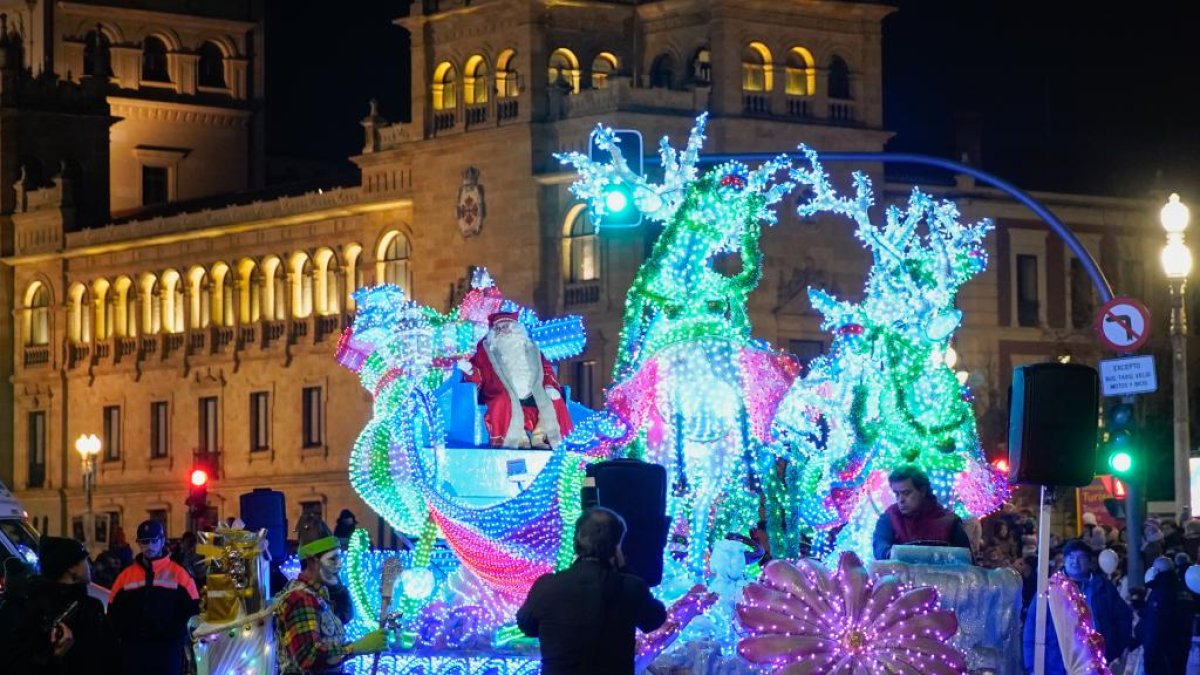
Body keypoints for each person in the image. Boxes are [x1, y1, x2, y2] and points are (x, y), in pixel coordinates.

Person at [517, 507, 667, 674]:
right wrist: (624, 567)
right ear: (616, 548)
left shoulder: (546, 586)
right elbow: (655, 619)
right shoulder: (631, 588)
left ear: (576, 542)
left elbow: (527, 626)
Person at [274, 513, 387, 674]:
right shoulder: (301, 597)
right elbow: (308, 656)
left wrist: (338, 589)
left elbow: (344, 616)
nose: (340, 565)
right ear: (313, 561)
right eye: (333, 560)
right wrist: (355, 648)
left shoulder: (317, 595)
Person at [0, 536, 116, 674]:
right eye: (84, 560)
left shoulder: (90, 606)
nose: (89, 565)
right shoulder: (33, 610)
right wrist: (53, 657)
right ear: (72, 568)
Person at [459, 311, 573, 448]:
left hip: (533, 391)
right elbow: (479, 373)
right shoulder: (486, 351)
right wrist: (470, 370)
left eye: (505, 326)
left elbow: (547, 370)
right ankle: (519, 439)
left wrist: (550, 386)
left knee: (553, 399)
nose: (501, 331)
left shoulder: (532, 348)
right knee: (503, 399)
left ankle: (539, 437)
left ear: (516, 329)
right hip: (502, 389)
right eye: (497, 328)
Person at [1022, 540, 1132, 674]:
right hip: (1057, 664)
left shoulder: (1103, 587)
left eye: (1081, 558)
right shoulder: (1050, 589)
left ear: (1090, 561)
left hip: (1094, 665)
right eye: (1071, 557)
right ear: (1064, 560)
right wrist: (1032, 666)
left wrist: (1112, 649)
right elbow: (1032, 626)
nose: (1075, 562)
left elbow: (1123, 618)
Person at [108, 520, 200, 675]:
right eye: (144, 542)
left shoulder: (179, 574)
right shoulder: (125, 576)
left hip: (167, 652)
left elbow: (192, 612)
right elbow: (113, 614)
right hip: (134, 653)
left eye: (153, 541)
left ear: (162, 541)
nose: (149, 546)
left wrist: (176, 638)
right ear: (138, 543)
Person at [872, 465, 970, 560]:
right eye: (897, 494)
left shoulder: (950, 521)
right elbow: (880, 546)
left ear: (922, 491)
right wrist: (890, 554)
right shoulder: (890, 517)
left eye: (906, 493)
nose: (900, 500)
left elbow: (965, 559)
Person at [1139, 556, 1193, 675]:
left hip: (1160, 653)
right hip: (1181, 649)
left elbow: (1154, 624)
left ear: (1157, 571)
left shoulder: (1159, 591)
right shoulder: (1183, 589)